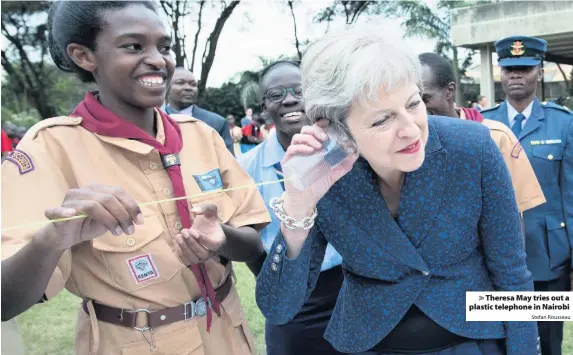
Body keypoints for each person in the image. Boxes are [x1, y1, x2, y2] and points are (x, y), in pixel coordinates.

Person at [0, 2, 271, 354]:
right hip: (134, 342)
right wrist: (51, 240)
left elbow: (252, 244)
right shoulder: (50, 148)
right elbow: (6, 302)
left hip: (228, 335)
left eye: (164, 47)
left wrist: (222, 239)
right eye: (133, 46)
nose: (158, 60)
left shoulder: (201, 135)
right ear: (84, 55)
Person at [255, 27, 539, 355]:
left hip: (472, 342)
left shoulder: (471, 146)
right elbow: (278, 307)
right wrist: (298, 208)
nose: (410, 129)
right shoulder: (325, 173)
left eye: (413, 103)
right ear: (336, 129)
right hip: (371, 344)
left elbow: (512, 273)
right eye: (381, 120)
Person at [238, 60, 344, 355]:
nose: (289, 99)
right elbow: (249, 239)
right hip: (290, 301)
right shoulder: (246, 168)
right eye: (276, 94)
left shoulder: (344, 152)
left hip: (350, 289)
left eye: (300, 90)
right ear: (263, 108)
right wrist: (277, 281)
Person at [481, 35, 573, 355]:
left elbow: (571, 197)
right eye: (508, 69)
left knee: (547, 344)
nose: (515, 75)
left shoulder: (563, 124)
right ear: (500, 74)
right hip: (492, 260)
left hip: (548, 259)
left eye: (524, 68)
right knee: (498, 342)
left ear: (541, 72)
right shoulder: (482, 125)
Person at [419, 52, 546, 214]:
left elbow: (515, 213)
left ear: (450, 91)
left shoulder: (495, 136)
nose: (418, 110)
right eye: (412, 102)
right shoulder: (406, 142)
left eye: (425, 99)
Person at [164, 67, 234, 155]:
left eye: (193, 84)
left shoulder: (217, 123)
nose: (188, 88)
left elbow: (229, 164)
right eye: (180, 83)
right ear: (166, 86)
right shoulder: (153, 119)